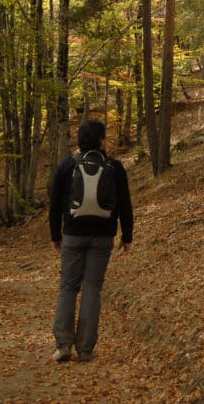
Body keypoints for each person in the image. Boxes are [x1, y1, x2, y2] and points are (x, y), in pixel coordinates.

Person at [49, 118, 133, 363]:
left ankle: (63, 345)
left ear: (80, 140)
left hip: (73, 234)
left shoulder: (67, 165)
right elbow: (125, 205)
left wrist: (56, 235)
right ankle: (85, 349)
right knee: (91, 289)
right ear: (101, 140)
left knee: (67, 287)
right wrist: (127, 236)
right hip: (103, 237)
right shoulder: (115, 167)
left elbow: (55, 205)